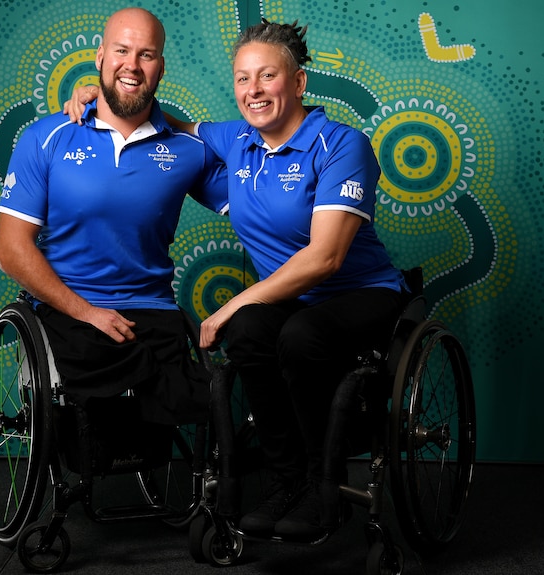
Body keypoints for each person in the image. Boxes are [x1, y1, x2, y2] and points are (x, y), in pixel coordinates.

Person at [67, 18, 406, 542]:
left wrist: (231, 305)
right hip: (291, 301)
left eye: (267, 76)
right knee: (249, 336)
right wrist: (98, 94)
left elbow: (324, 260)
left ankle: (324, 488)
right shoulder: (237, 140)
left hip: (360, 295)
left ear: (297, 83)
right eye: (243, 79)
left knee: (290, 333)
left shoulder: (343, 146)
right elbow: (166, 125)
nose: (254, 91)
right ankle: (285, 481)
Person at [0, 7, 228, 427]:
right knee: (122, 371)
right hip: (71, 307)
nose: (132, 65)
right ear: (100, 56)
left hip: (152, 308)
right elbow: (11, 251)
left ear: (161, 67)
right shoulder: (44, 138)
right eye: (122, 50)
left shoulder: (187, 150)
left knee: (191, 384)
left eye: (146, 55)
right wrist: (88, 313)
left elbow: (262, 204)